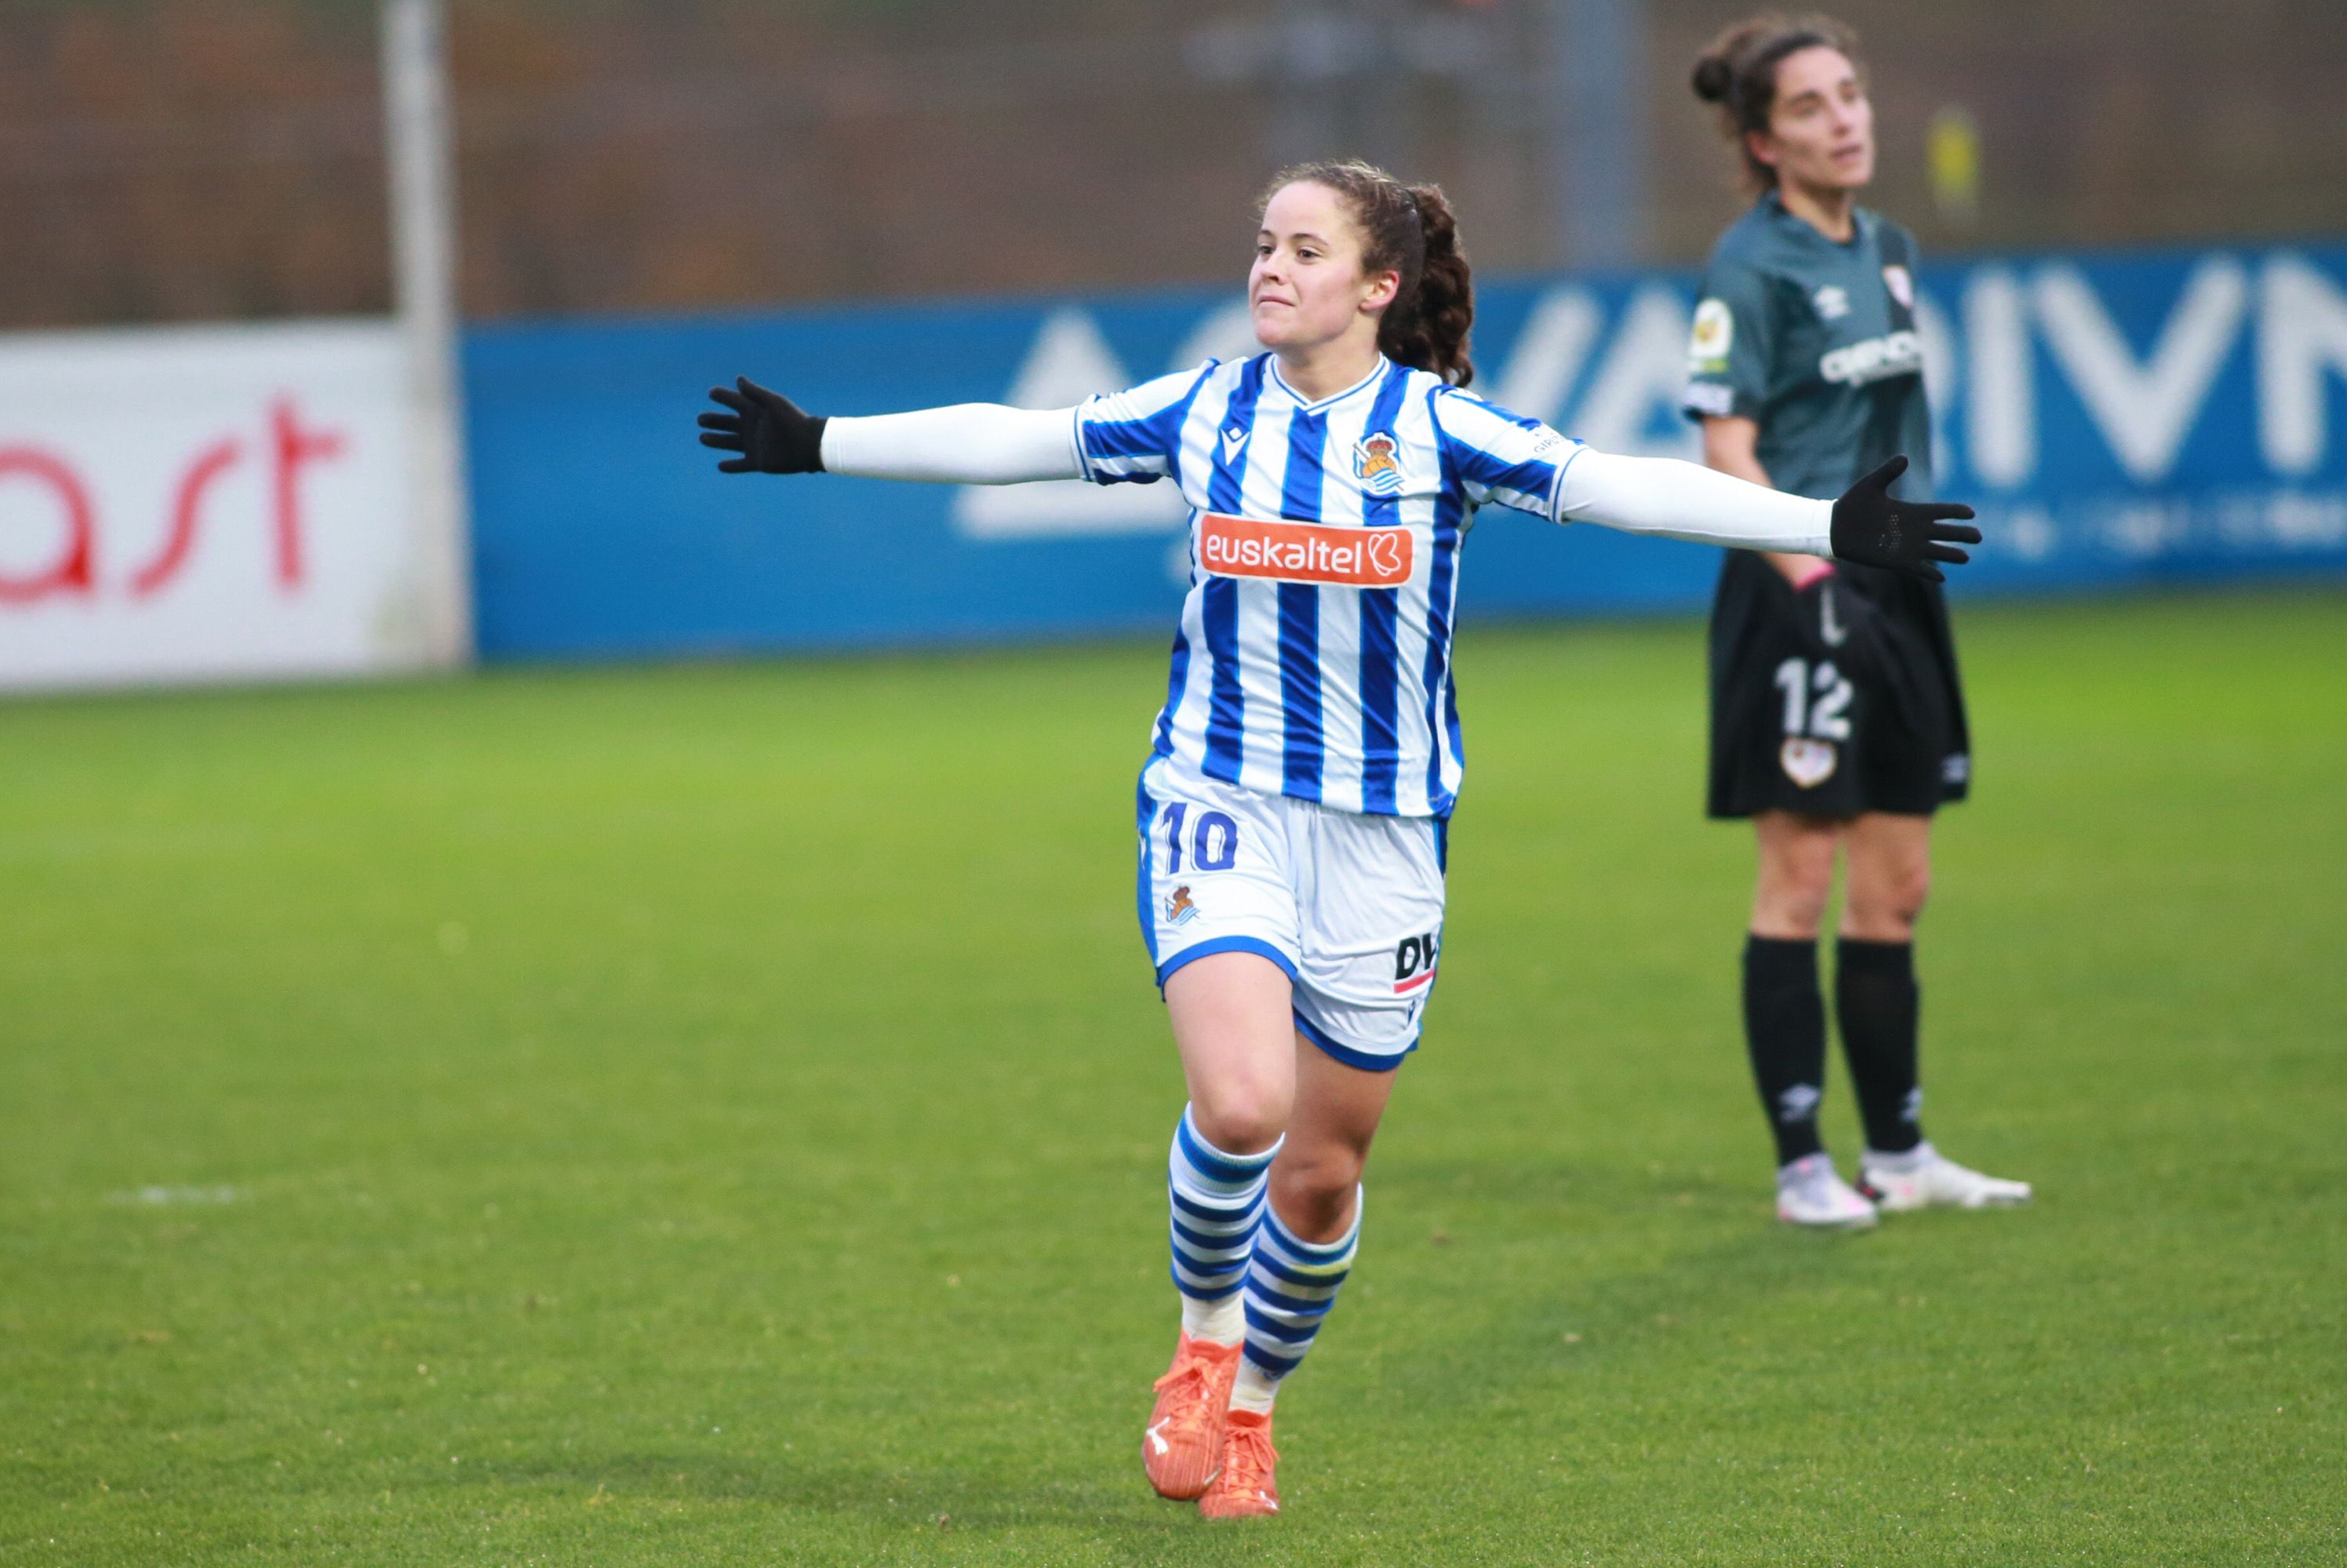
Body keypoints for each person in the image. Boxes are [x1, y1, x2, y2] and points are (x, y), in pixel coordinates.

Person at [698, 159, 1978, 1516]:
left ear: (1377, 288)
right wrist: (820, 438)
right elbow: (1016, 439)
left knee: (1324, 1172)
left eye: (1304, 251)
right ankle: (1200, 1347)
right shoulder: (1202, 410)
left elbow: (1624, 487)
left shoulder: (1443, 433)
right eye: (1262, 243)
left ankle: (1252, 1409)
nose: (1269, 267)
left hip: (1385, 840)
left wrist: (1825, 522)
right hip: (1219, 800)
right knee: (1244, 1105)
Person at [1682, 16, 2030, 1228]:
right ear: (1764, 139)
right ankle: (1799, 1167)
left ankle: (1900, 1152)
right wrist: (1815, 579)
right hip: (1799, 591)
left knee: (1900, 882)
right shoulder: (1748, 267)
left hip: (1897, 588)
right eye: (1815, 105)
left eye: (1852, 93)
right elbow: (1726, 447)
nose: (1848, 117)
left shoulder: (1887, 244)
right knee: (1801, 875)